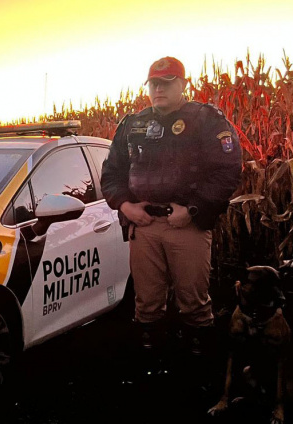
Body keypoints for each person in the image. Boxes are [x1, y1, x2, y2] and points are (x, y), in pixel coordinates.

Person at [101, 56, 242, 354]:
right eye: (154, 83)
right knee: (147, 303)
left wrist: (192, 210)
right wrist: (126, 207)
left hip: (186, 224)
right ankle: (153, 364)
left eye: (166, 83)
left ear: (183, 84)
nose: (159, 89)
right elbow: (112, 173)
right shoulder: (133, 124)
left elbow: (227, 171)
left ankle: (198, 366)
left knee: (193, 302)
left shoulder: (205, 120)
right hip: (144, 225)